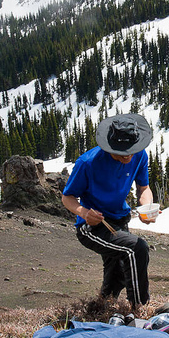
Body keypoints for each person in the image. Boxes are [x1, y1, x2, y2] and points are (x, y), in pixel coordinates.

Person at [62, 113, 157, 309]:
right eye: (123, 153)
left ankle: (101, 308)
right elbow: (67, 198)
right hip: (92, 226)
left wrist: (146, 207)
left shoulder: (139, 154)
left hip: (120, 220)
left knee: (118, 273)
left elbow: (144, 188)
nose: (128, 156)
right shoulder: (87, 163)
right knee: (136, 248)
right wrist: (84, 213)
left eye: (131, 151)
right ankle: (141, 308)